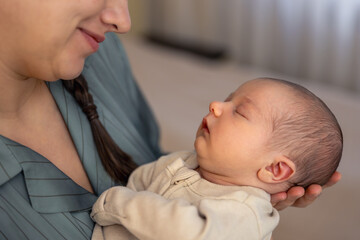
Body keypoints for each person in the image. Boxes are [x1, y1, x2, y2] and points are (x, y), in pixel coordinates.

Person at [0, 0, 340, 239]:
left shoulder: (100, 54)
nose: (124, 21)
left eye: (241, 110)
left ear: (278, 170)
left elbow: (153, 170)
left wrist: (238, 184)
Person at [90, 78, 343, 240]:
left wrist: (116, 204)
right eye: (227, 99)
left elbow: (184, 233)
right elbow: (138, 182)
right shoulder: (182, 162)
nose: (215, 106)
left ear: (275, 169)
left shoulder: (244, 213)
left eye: (240, 112)